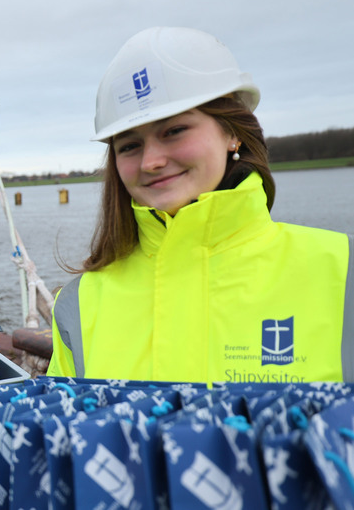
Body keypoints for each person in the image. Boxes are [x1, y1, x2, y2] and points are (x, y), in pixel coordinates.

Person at [47, 27, 352, 384]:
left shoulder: (341, 273)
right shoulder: (79, 304)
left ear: (232, 131)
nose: (151, 162)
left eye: (174, 130)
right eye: (129, 145)